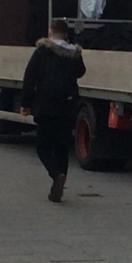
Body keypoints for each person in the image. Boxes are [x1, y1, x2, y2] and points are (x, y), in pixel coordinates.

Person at [21, 19, 86, 203]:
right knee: (61, 147)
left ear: (50, 33)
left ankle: (55, 174)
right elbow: (81, 71)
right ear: (66, 34)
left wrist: (26, 103)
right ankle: (61, 179)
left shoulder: (42, 52)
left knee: (42, 147)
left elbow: (30, 77)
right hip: (67, 107)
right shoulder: (74, 54)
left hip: (46, 107)